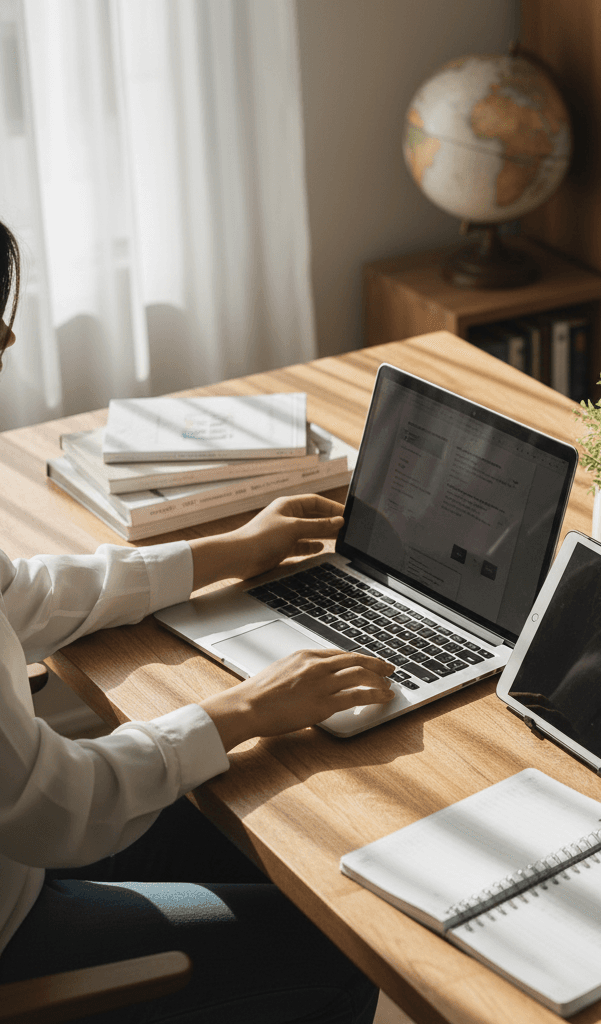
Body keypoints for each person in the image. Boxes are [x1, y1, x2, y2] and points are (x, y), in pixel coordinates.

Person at [0, 220, 395, 1023]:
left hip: (20, 863)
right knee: (339, 943)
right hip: (18, 925)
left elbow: (24, 597)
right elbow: (53, 807)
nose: (8, 332)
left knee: (277, 835)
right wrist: (247, 707)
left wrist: (225, 551)